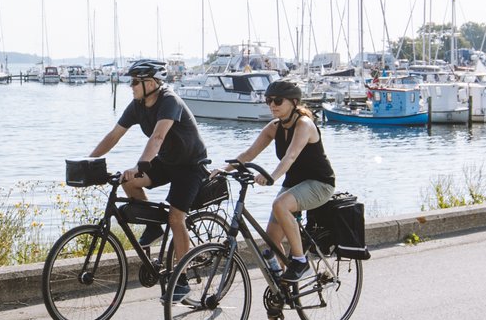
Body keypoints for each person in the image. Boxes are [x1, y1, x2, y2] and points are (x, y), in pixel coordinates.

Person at [84, 60, 210, 270]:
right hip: (167, 162)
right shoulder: (137, 106)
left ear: (150, 84)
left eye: (135, 82)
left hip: (190, 166)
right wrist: (89, 161)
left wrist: (139, 166)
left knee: (176, 218)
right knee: (129, 182)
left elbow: (158, 137)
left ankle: (182, 277)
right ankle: (153, 228)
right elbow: (114, 136)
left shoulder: (170, 101)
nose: (130, 86)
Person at [224, 78, 334, 285]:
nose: (272, 105)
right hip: (294, 185)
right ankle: (287, 286)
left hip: (319, 184)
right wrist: (223, 169)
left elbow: (290, 156)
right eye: (268, 100)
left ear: (293, 102)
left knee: (280, 204)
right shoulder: (274, 127)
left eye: (277, 100)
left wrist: (271, 176)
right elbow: (249, 153)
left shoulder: (304, 124)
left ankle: (300, 261)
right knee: (271, 242)